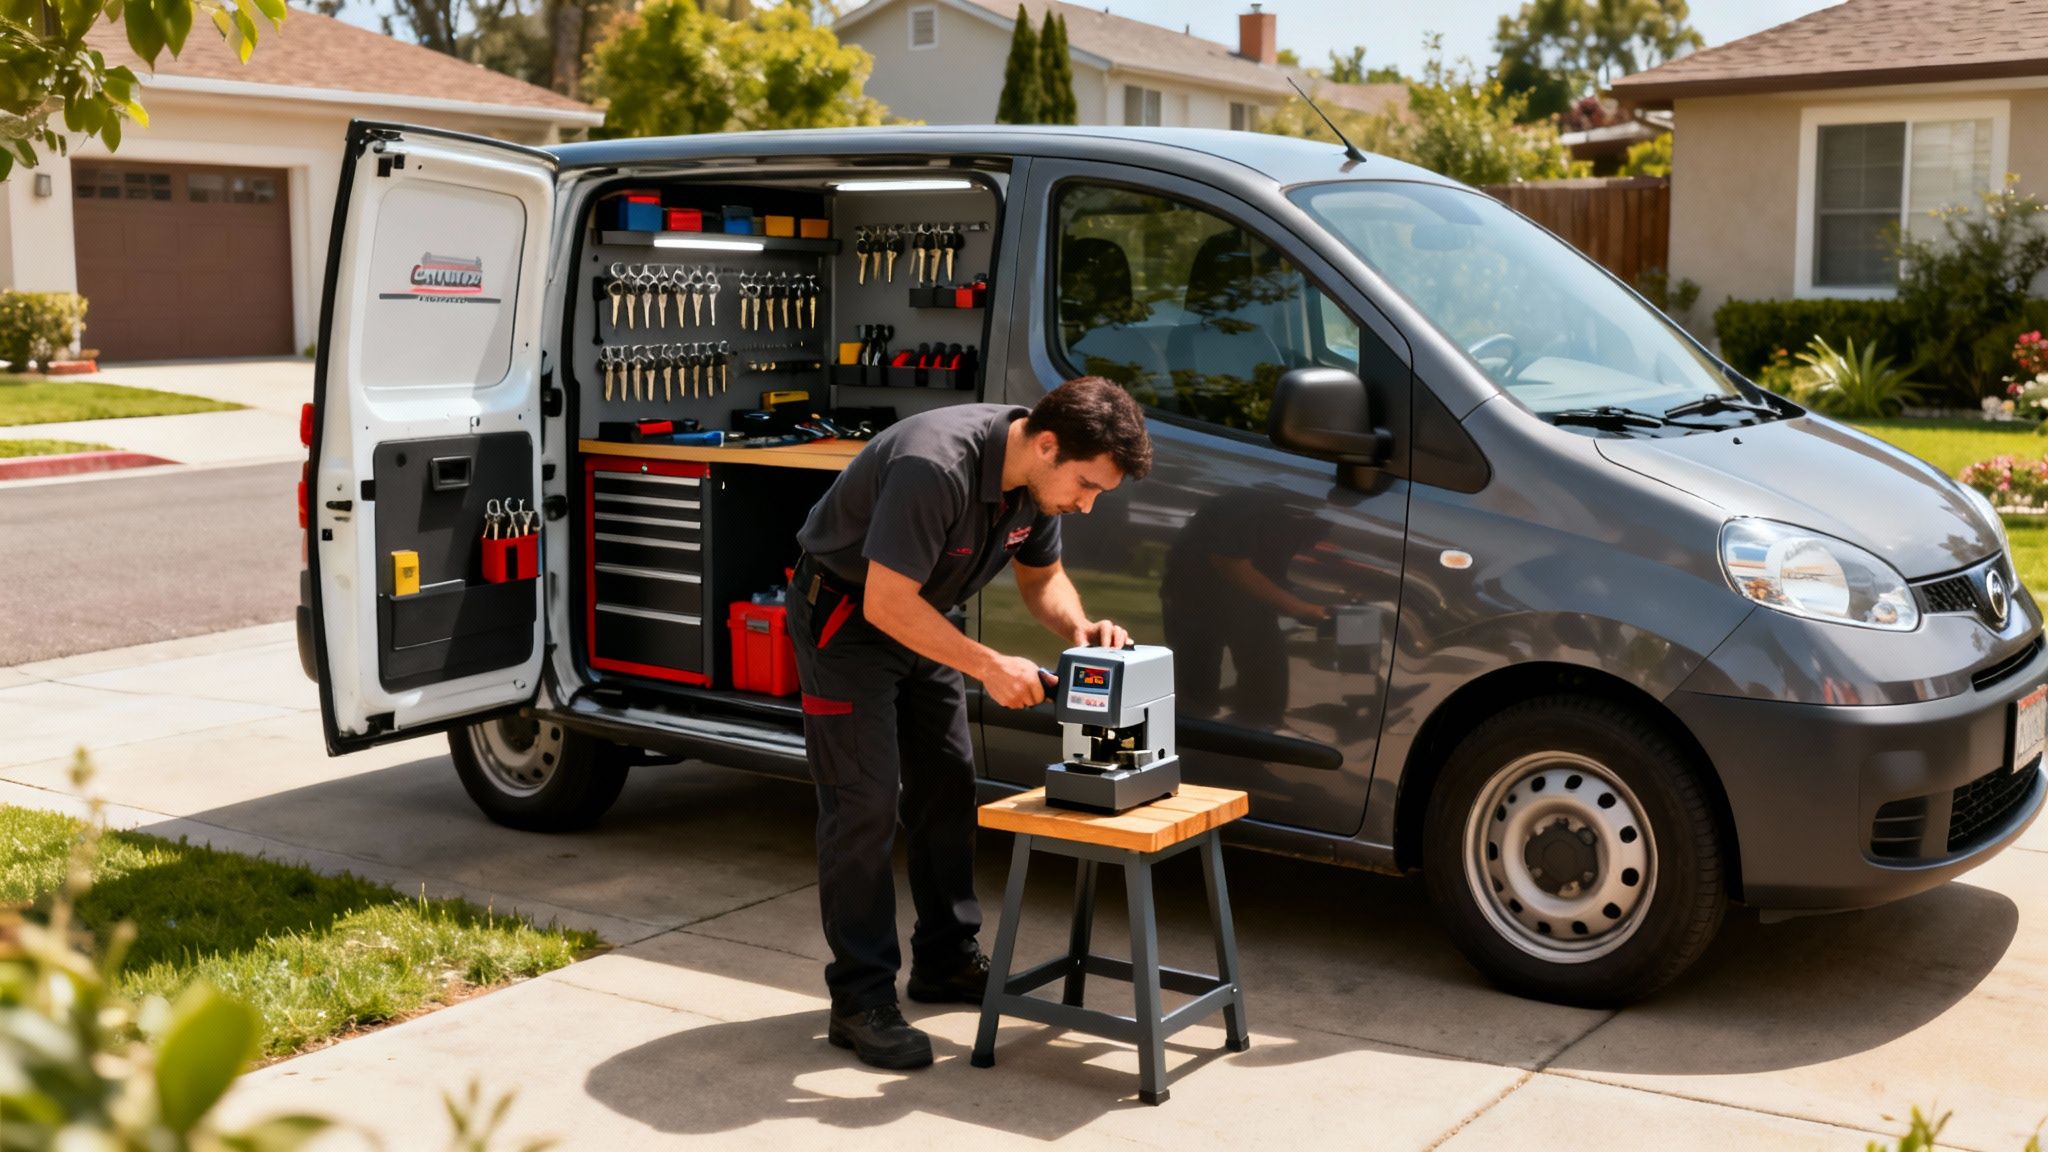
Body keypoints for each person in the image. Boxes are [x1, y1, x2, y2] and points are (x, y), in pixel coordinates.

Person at [786, 376, 1153, 1070]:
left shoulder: (1034, 481)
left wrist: (1082, 628)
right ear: (1047, 445)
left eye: (1098, 493)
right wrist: (989, 665)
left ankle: (946, 961)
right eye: (1086, 486)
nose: (1086, 504)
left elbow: (1042, 579)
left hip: (924, 620)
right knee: (862, 803)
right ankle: (860, 999)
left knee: (949, 787)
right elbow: (886, 605)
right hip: (848, 622)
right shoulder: (936, 465)